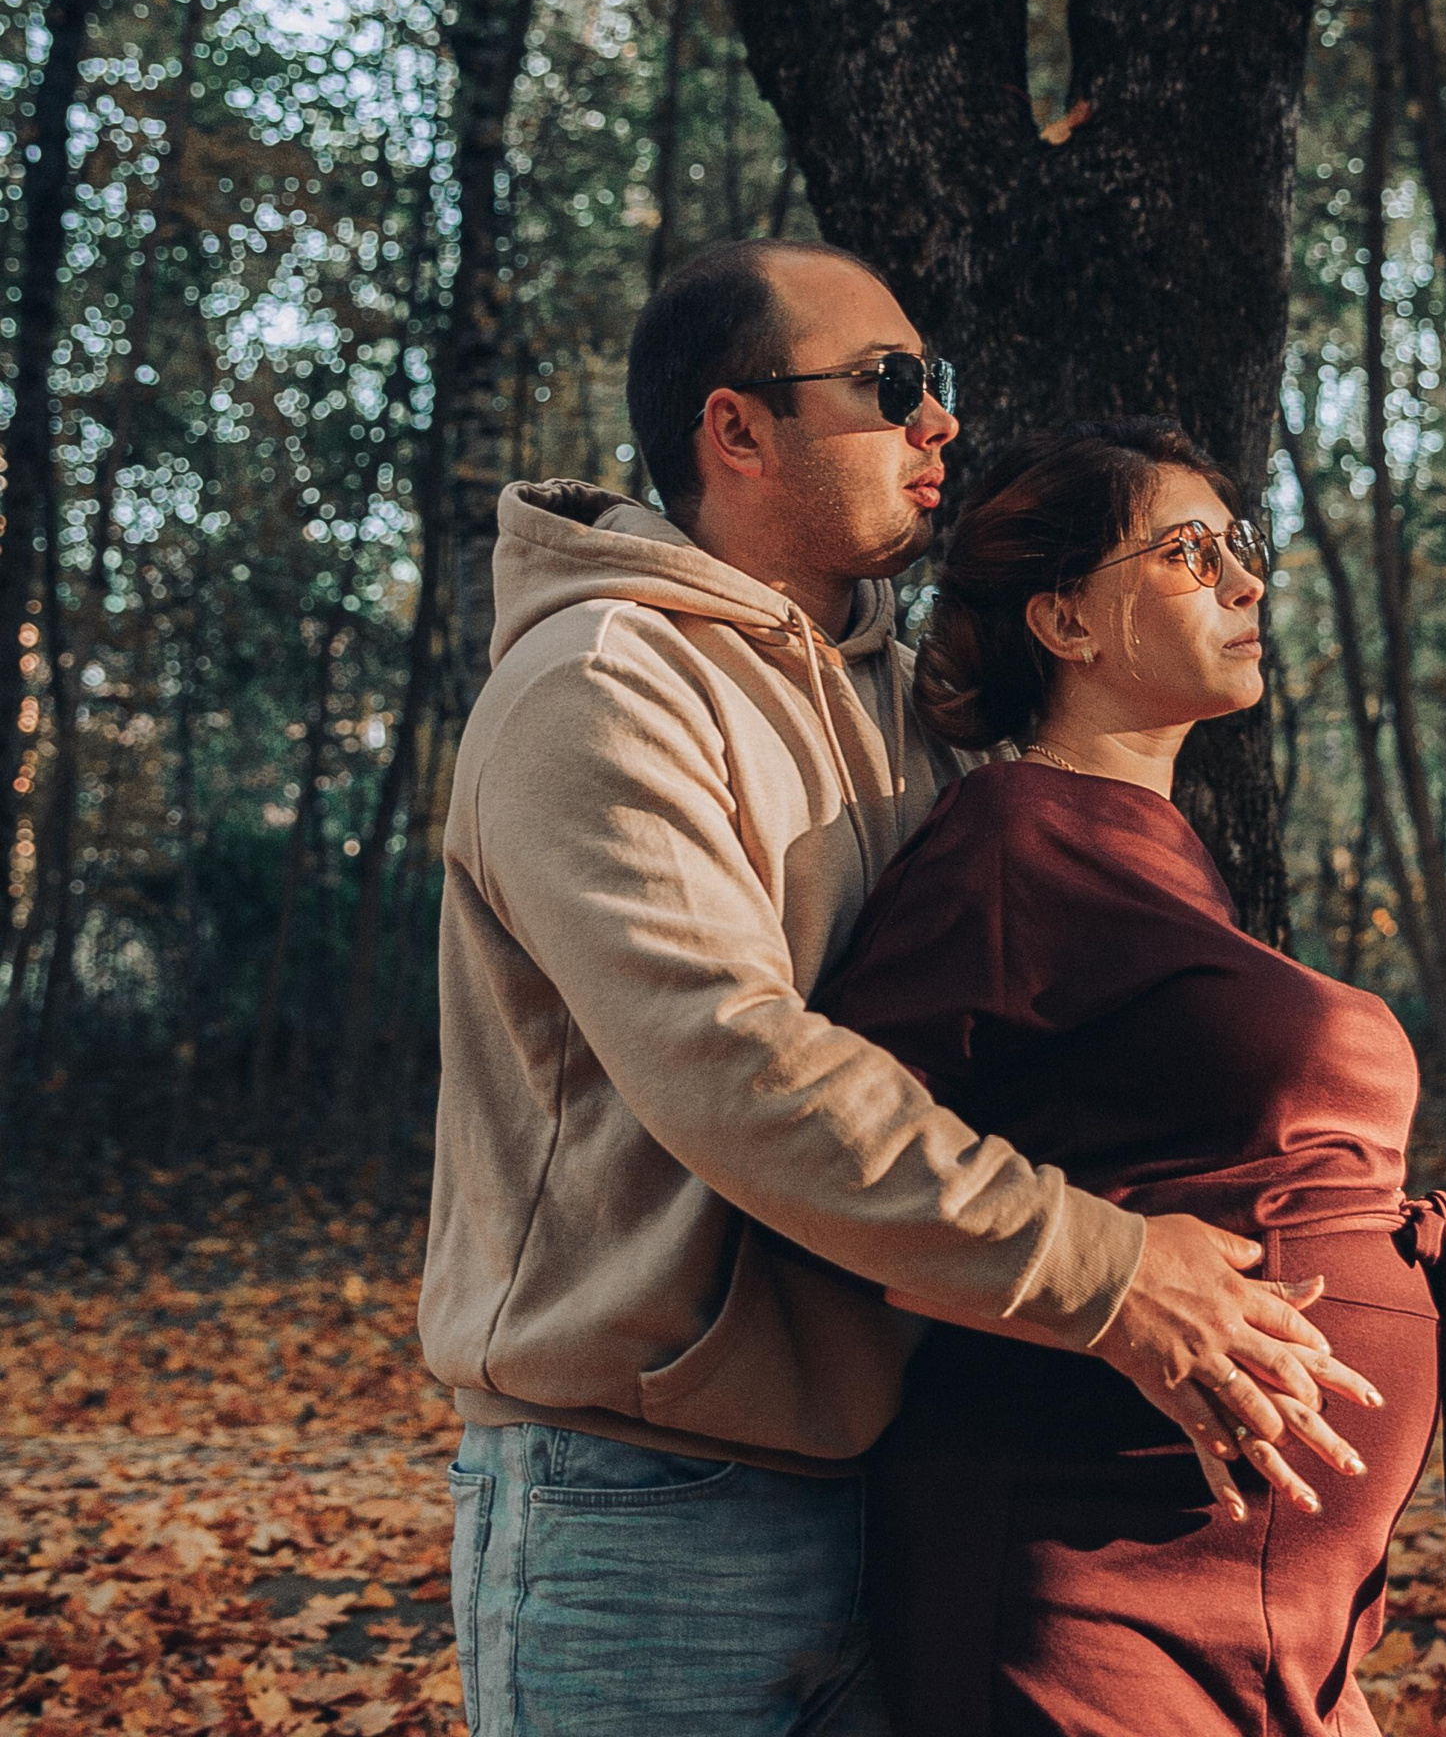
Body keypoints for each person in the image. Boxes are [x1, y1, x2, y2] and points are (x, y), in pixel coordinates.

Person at [419, 241, 1371, 1737]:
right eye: (892, 385)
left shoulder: (902, 707)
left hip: (896, 1467)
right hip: (647, 1497)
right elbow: (736, 1067)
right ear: (735, 430)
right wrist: (1110, 1274)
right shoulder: (605, 685)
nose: (940, 422)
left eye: (942, 389)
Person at [817, 419, 1446, 1737]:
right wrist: (1107, 1284)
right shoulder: (1004, 838)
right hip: (1091, 1564)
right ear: (1068, 623)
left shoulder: (1152, 849)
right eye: (1190, 555)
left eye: (1240, 552)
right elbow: (849, 1183)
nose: (1248, 584)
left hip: (1264, 1595)